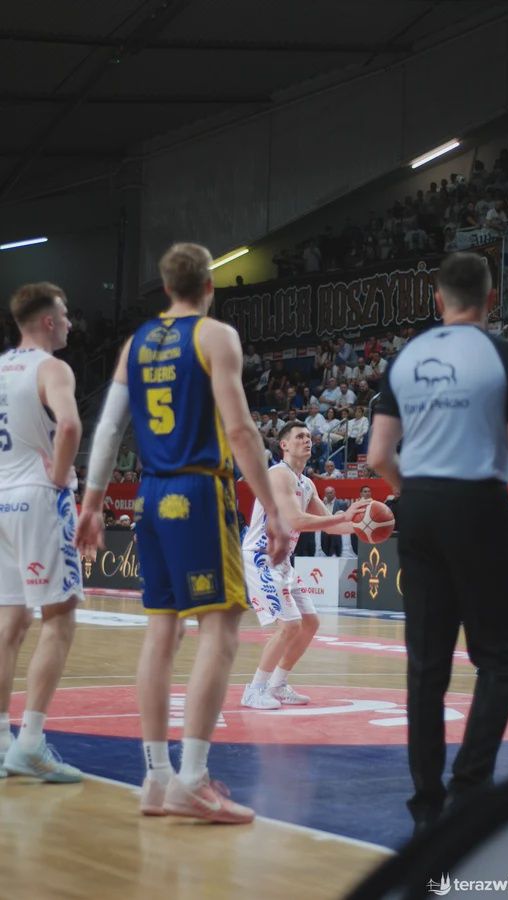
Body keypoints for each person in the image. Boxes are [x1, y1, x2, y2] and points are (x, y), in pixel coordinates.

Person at [76, 243, 289, 824]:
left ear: (166, 288)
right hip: (198, 491)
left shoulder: (135, 344)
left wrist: (92, 503)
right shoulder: (216, 337)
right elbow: (241, 431)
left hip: (150, 494)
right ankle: (192, 779)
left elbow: (108, 429)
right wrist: (272, 508)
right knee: (220, 631)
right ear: (209, 286)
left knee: (161, 633)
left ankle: (156, 778)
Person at [367, 251, 508, 833]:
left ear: (437, 300)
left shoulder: (405, 357)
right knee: (498, 658)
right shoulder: (506, 357)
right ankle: (470, 789)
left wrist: (417, 495)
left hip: (420, 506)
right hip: (479, 506)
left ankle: (427, 807)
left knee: (426, 664)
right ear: (491, 299)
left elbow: (378, 455)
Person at [0, 282, 84, 782]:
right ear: (48, 321)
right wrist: (60, 477)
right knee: (60, 616)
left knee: (9, 624)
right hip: (37, 496)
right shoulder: (51, 368)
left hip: (0, 498)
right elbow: (69, 426)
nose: (71, 322)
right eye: (66, 314)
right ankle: (30, 743)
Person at [241, 421, 367, 709]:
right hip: (261, 556)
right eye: (300, 436)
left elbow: (331, 526)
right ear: (284, 445)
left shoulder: (306, 483)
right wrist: (343, 516)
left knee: (310, 623)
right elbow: (297, 521)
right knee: (289, 625)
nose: (307, 440)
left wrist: (363, 528)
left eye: (309, 436)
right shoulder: (278, 474)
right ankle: (255, 689)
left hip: (283, 560)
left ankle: (277, 685)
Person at [320, 485, 349, 557]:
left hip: (337, 534)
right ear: (325, 494)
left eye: (331, 492)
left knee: (338, 554)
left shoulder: (342, 504)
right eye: (327, 493)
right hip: (325, 533)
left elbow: (346, 518)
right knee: (325, 554)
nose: (329, 494)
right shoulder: (322, 504)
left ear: (334, 493)